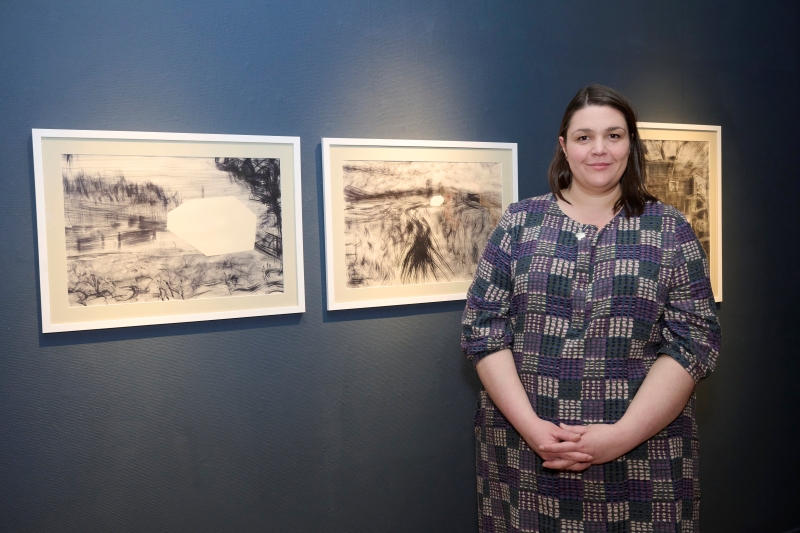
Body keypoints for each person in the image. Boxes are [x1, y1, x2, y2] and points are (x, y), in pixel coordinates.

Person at [461, 84, 720, 532]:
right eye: (584, 137)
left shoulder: (671, 229)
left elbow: (694, 342)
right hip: (527, 458)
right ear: (564, 146)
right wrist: (534, 430)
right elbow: (483, 329)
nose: (599, 150)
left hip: (644, 461)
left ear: (630, 143)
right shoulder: (520, 224)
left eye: (613, 136)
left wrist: (619, 437)